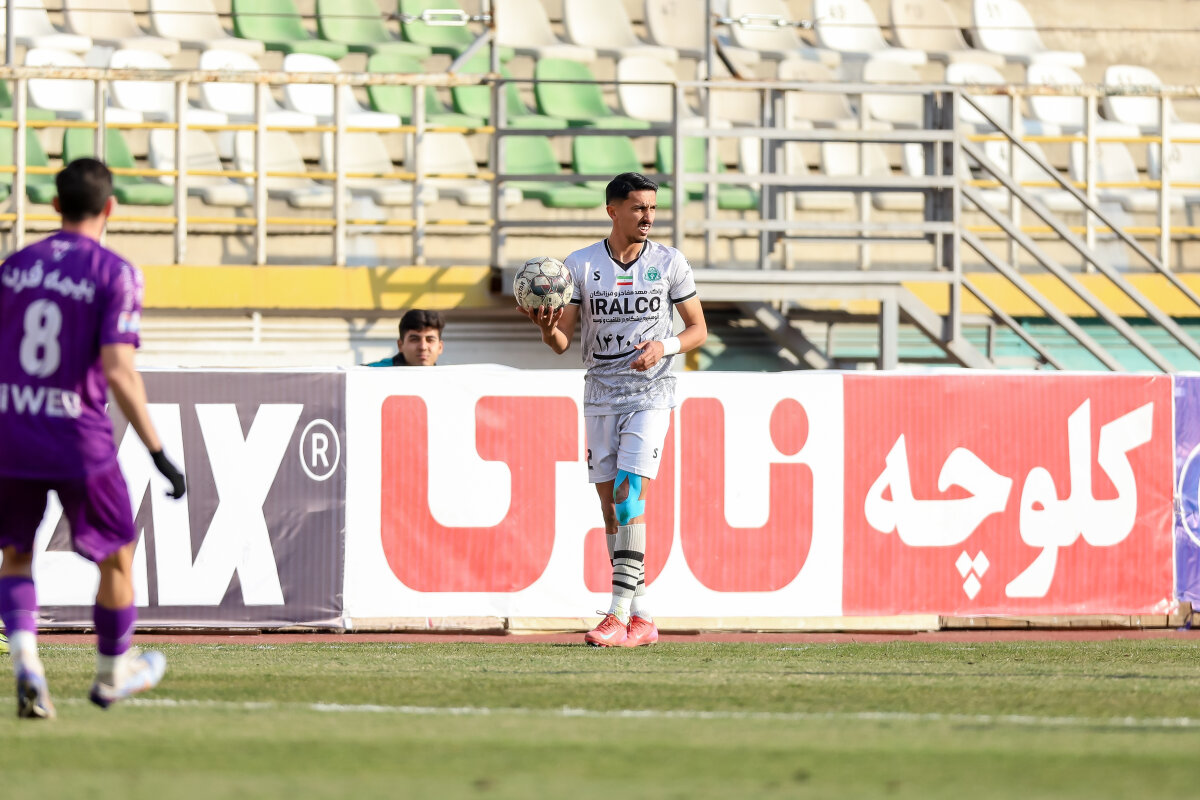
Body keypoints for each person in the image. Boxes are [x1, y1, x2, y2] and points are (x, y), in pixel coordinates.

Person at [0, 158, 186, 719]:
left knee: (15, 554)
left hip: (13, 431)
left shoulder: (13, 267)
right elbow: (118, 370)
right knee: (118, 557)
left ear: (55, 205)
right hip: (78, 438)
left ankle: (27, 663)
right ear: (110, 207)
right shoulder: (116, 273)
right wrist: (158, 452)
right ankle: (111, 674)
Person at [519, 172, 707, 648]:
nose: (648, 217)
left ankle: (616, 613)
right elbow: (562, 342)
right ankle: (642, 616)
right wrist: (545, 329)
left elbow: (698, 330)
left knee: (628, 496)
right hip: (600, 393)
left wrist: (663, 346)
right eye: (639, 208)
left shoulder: (669, 262)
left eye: (653, 208)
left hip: (650, 392)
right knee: (611, 511)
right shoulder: (581, 265)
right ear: (613, 211)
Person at [364, 309, 445, 366]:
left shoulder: (448, 379)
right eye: (414, 339)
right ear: (400, 345)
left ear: (440, 347)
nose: (423, 347)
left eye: (430, 340)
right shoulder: (369, 374)